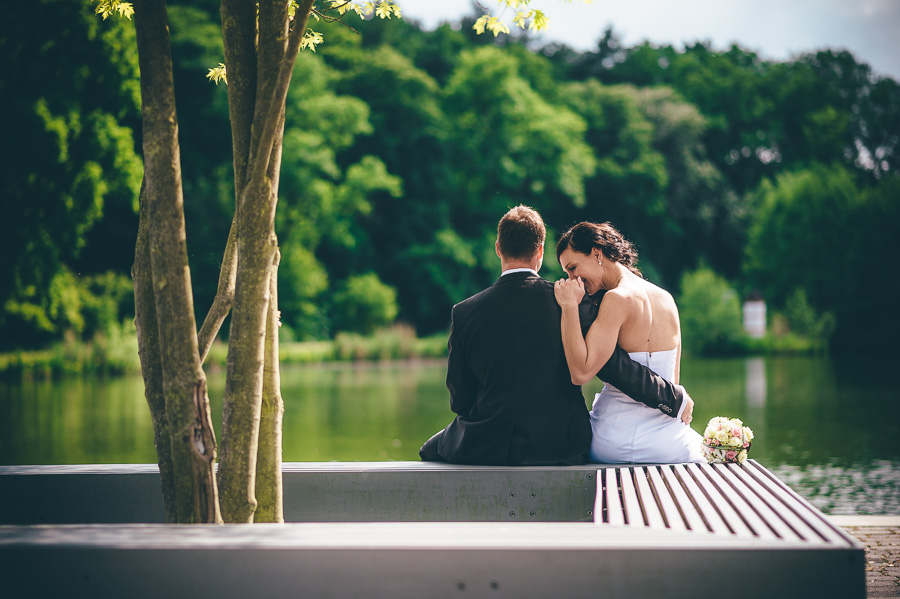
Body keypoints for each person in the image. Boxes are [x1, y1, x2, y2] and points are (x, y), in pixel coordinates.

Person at [419, 206, 693, 466]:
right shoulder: (569, 302)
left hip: (487, 442)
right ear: (540, 251)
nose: (573, 278)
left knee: (429, 449)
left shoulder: (464, 312)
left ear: (498, 249)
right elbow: (614, 367)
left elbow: (460, 400)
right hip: (562, 444)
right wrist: (673, 398)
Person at [554, 221, 703, 464]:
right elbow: (672, 380)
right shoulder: (666, 299)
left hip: (613, 441)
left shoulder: (616, 299)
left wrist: (569, 306)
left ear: (596, 253)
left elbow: (580, 372)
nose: (571, 279)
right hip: (670, 443)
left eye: (572, 268)